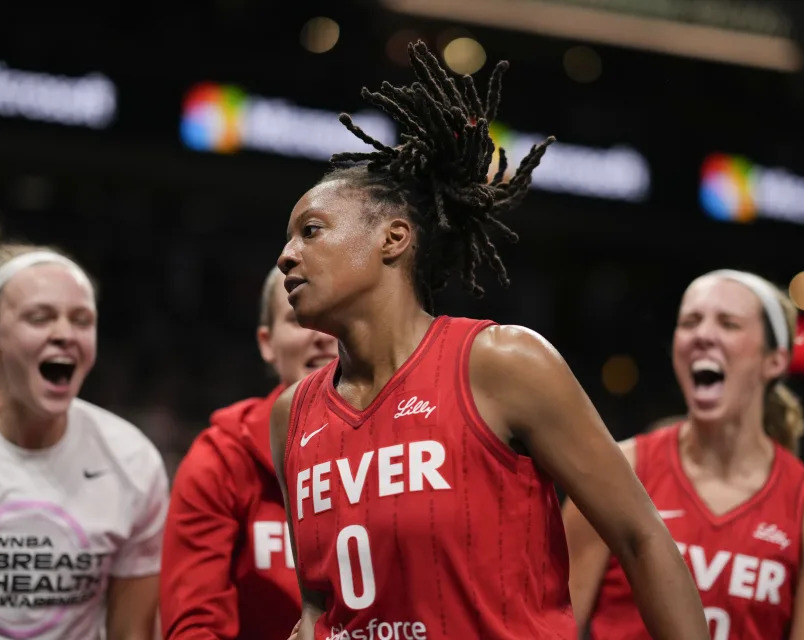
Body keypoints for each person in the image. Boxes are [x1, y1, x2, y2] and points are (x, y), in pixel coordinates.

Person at [269, 40, 709, 640]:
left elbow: (641, 537)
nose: (287, 255)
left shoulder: (502, 364)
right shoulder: (292, 416)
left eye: (311, 231)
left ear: (393, 239)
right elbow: (319, 607)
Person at [563, 269, 804, 639]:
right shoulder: (614, 472)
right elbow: (556, 628)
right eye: (690, 322)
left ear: (775, 361)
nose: (703, 334)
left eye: (729, 323)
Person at [0, 242, 168, 639]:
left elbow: (131, 633)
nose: (65, 334)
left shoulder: (132, 460)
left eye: (82, 320)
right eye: (39, 317)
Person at [159, 266, 338, 639]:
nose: (322, 336)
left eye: (337, 314)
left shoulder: (415, 447)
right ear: (267, 343)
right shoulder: (221, 459)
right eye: (300, 318)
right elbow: (196, 627)